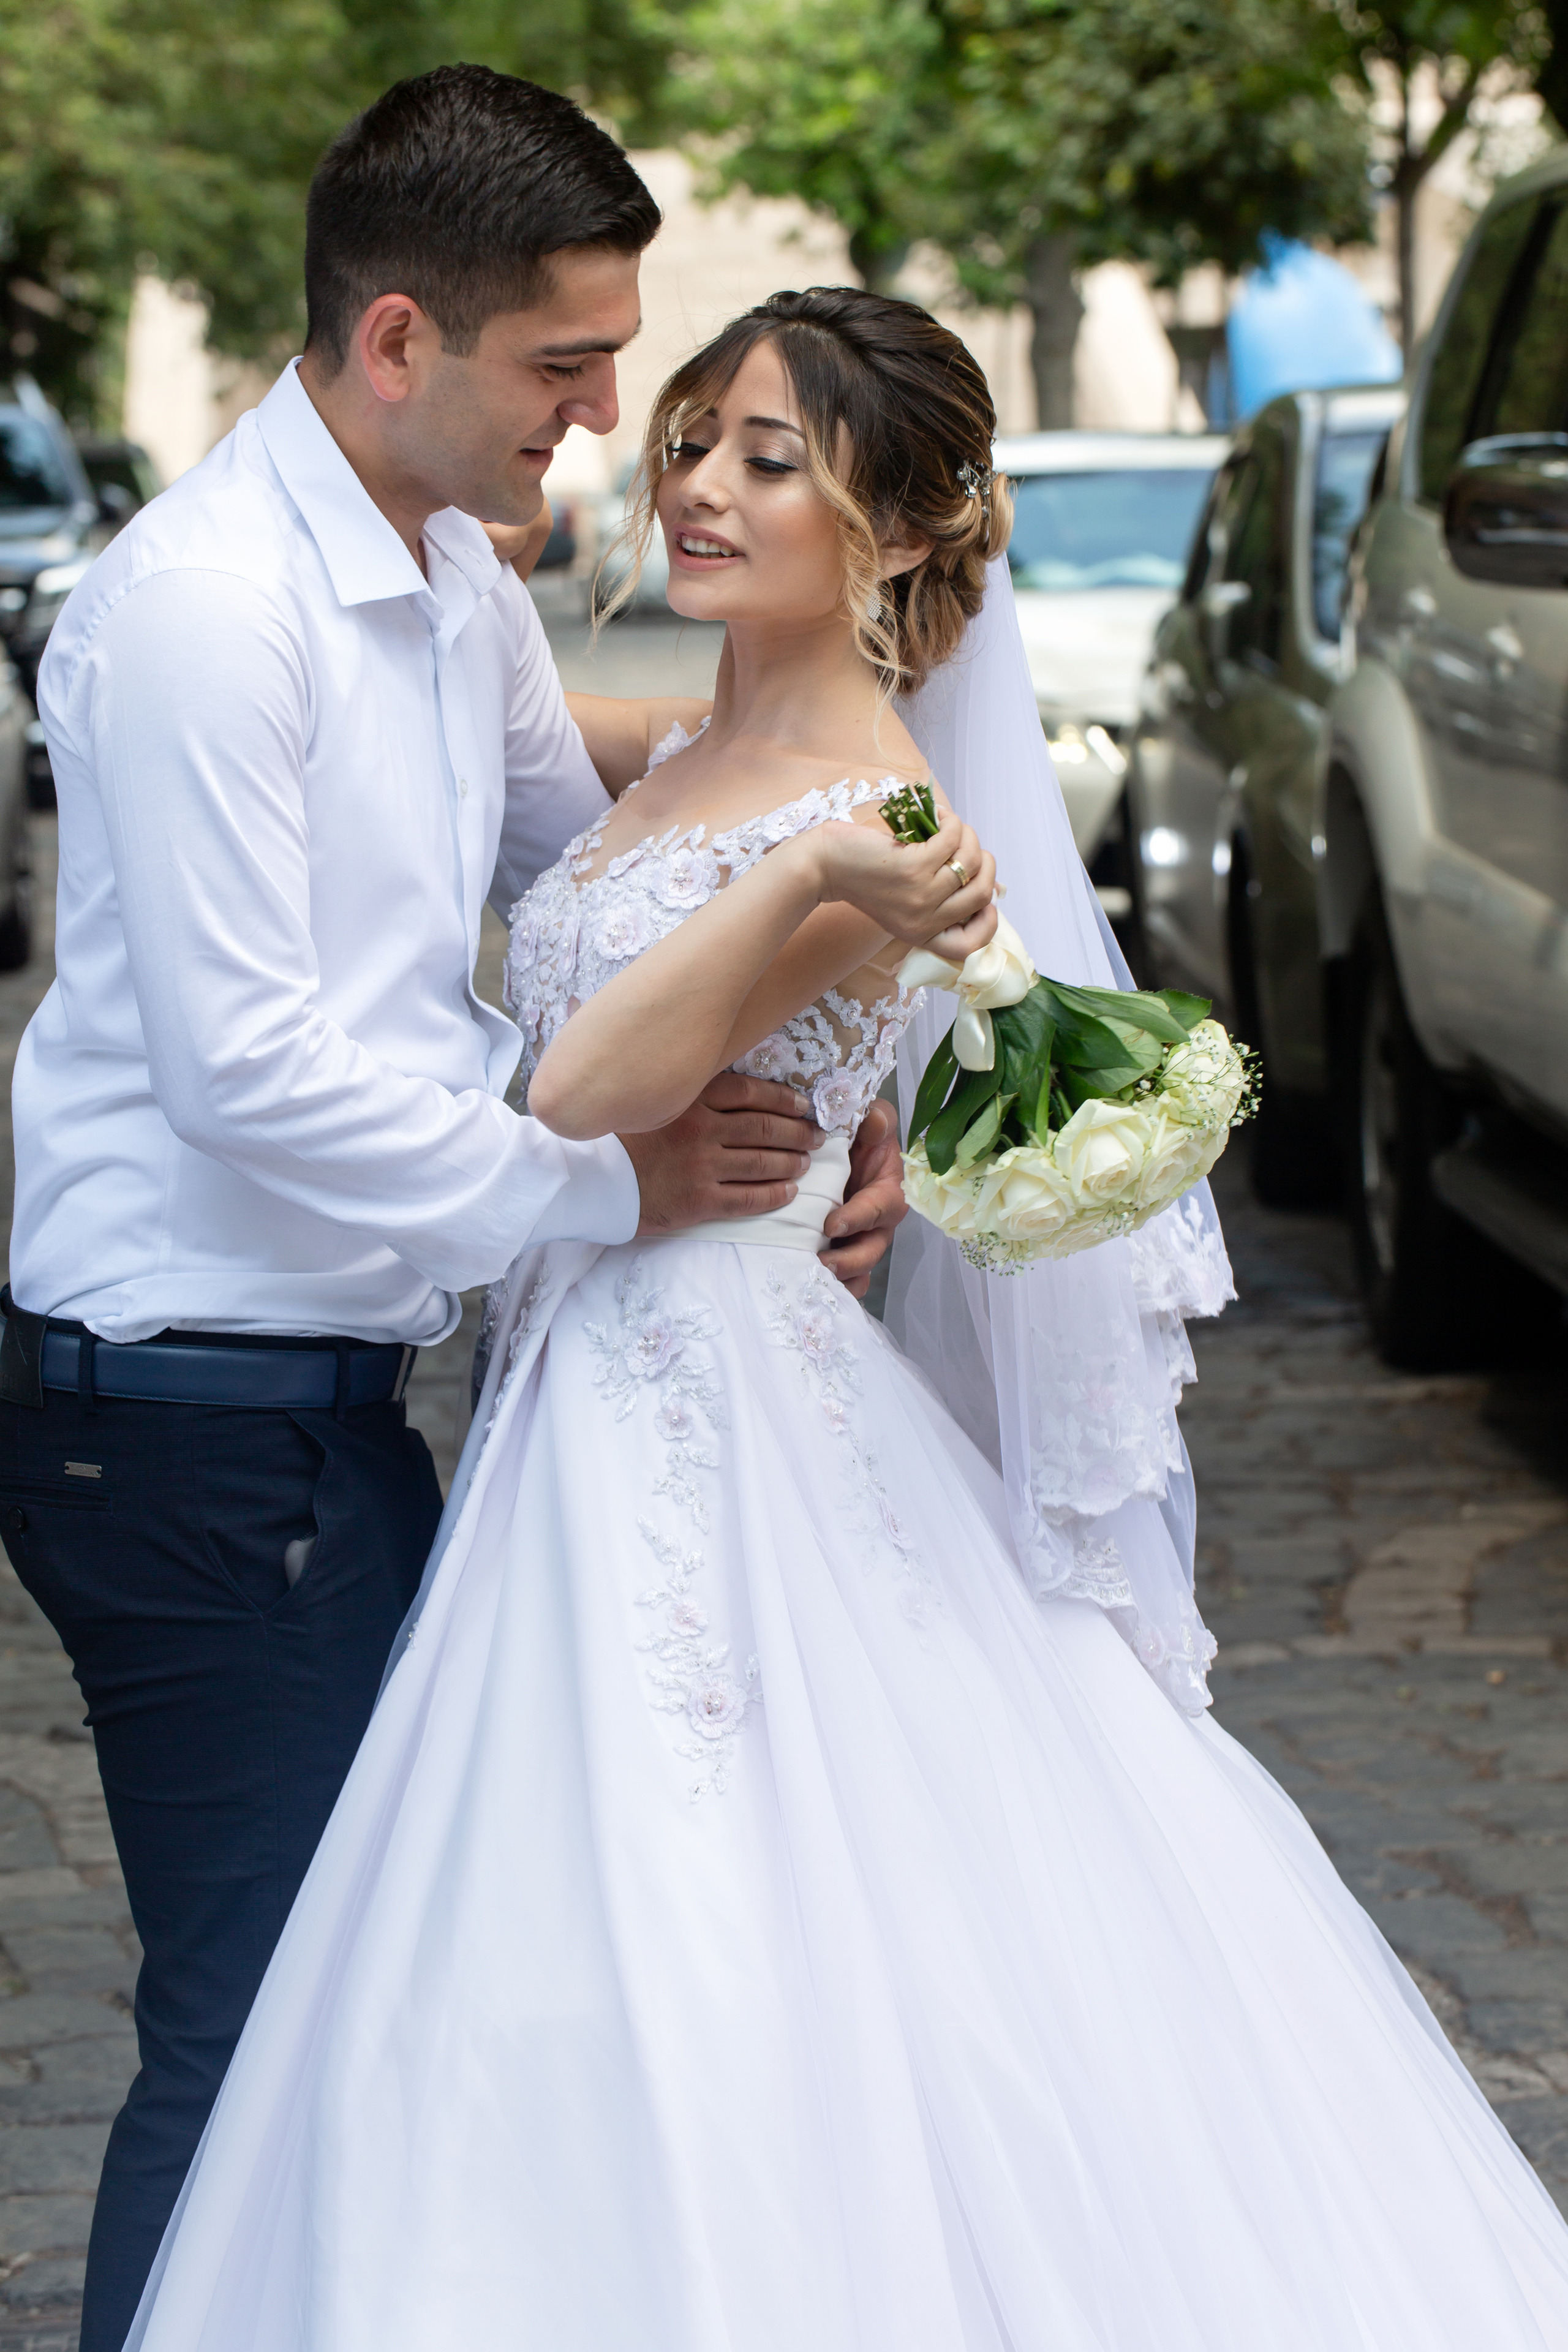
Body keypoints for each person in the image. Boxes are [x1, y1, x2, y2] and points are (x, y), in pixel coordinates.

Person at [127, 289, 1568, 2351]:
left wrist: (802, 881)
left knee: (696, 1922)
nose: (701, 484)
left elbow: (581, 1090)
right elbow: (623, 887)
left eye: (770, 460)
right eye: (696, 437)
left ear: (894, 532)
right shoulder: (710, 746)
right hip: (599, 1375)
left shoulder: (866, 811)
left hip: (702, 1389)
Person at [0, 78, 913, 2352]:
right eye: (569, 370)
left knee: (384, 1997)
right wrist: (606, 1189)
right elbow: (257, 1080)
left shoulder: (443, 565)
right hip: (185, 1417)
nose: (614, 424)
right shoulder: (208, 615)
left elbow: (569, 861)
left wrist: (840, 959)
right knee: (273, 2024)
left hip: (334, 1406)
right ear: (399, 340)